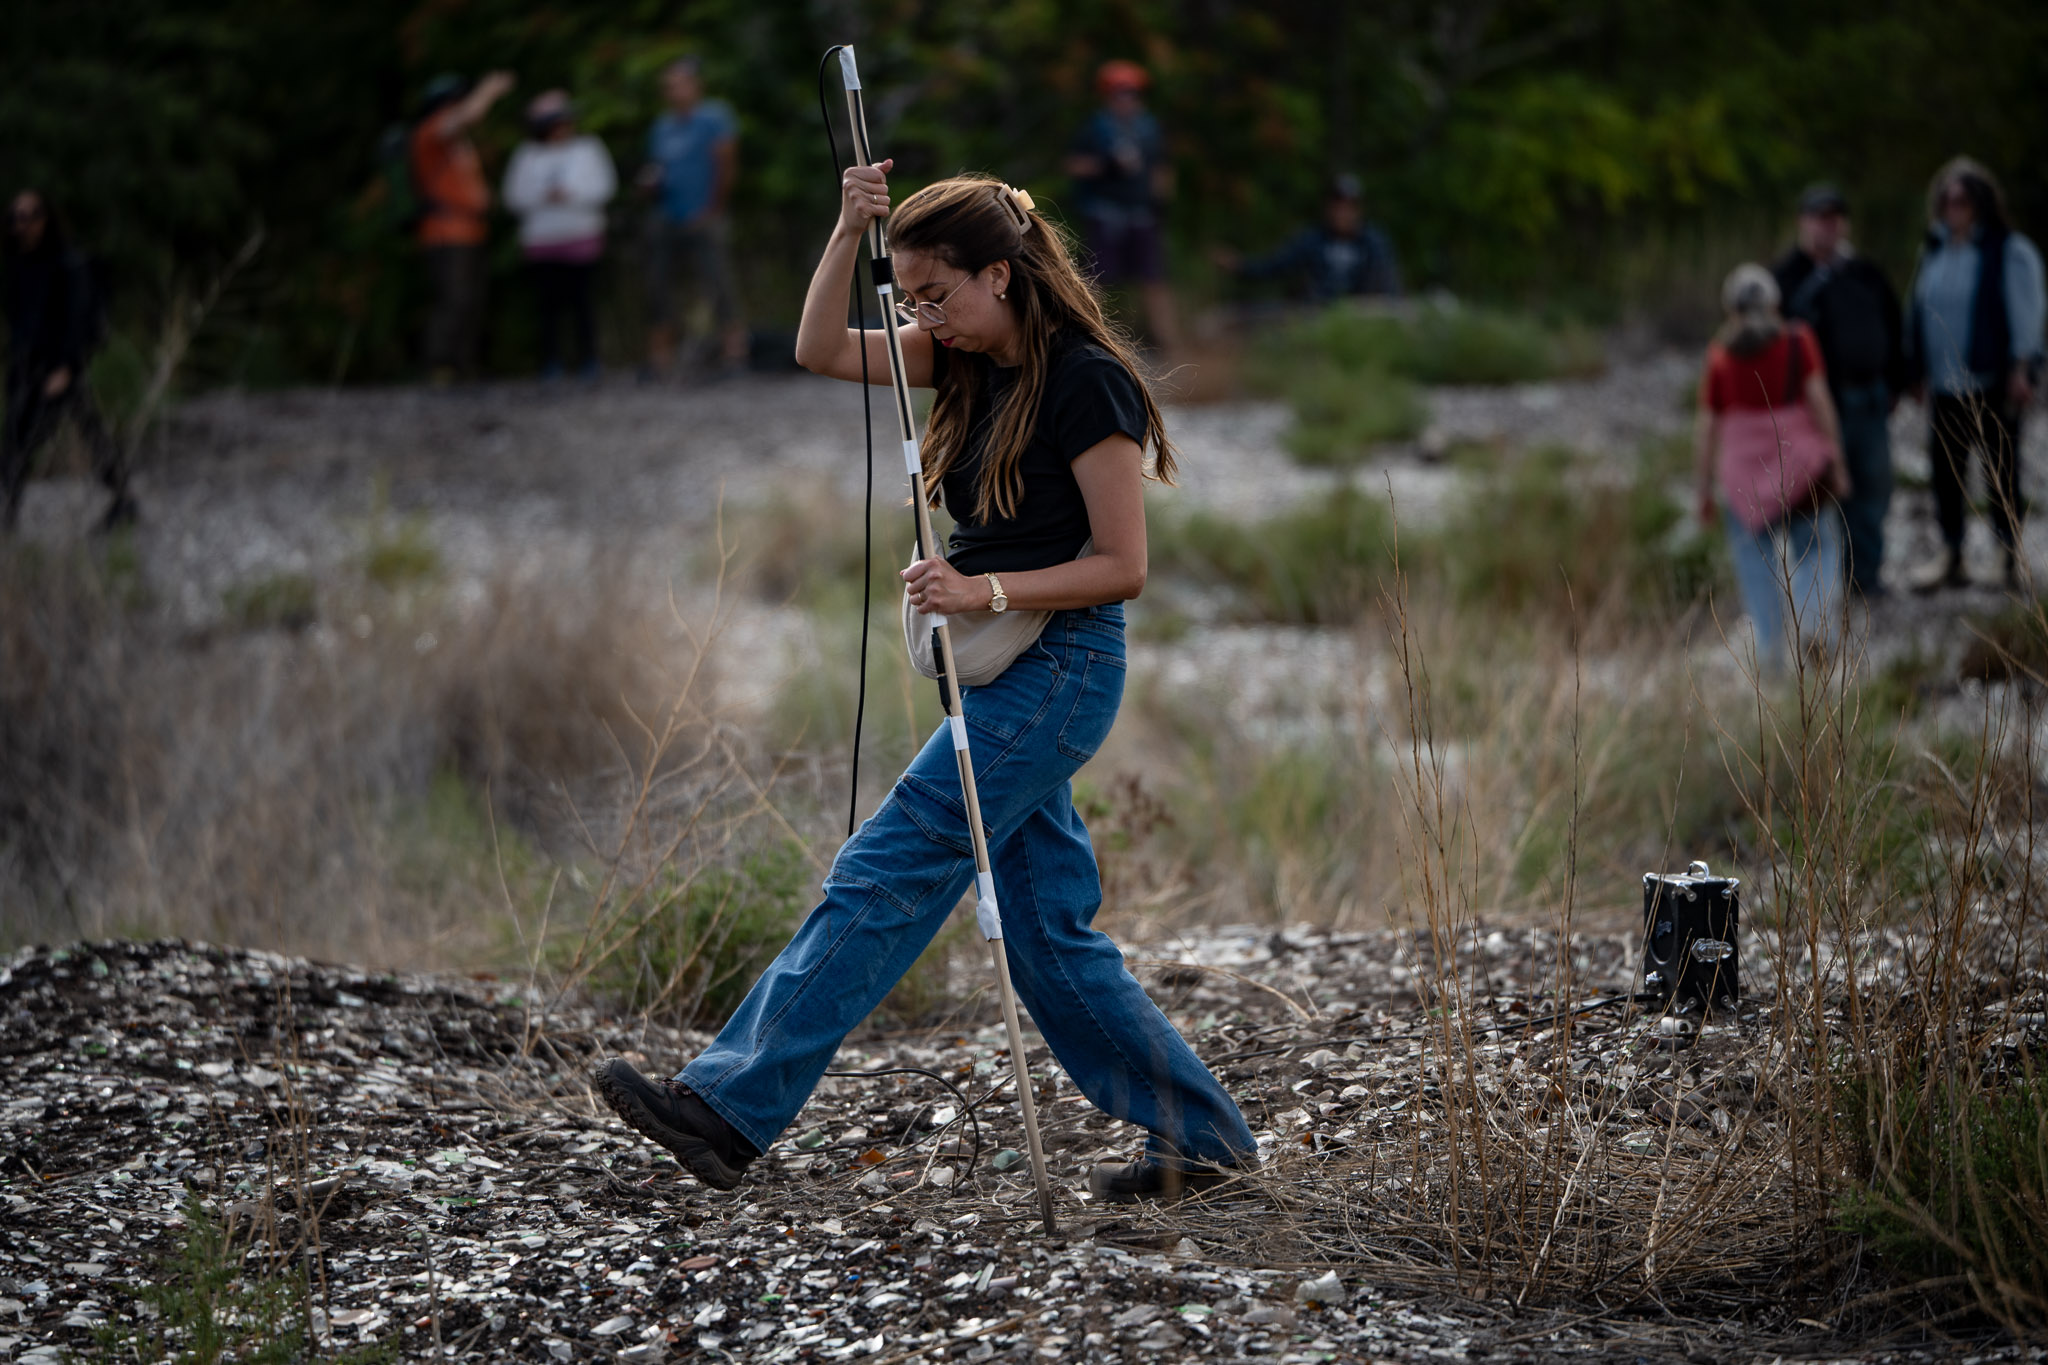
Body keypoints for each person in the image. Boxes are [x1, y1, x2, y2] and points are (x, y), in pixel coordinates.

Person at [593, 164, 1259, 1203]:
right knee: (1049, 938)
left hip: (1058, 669)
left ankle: (727, 1110)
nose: (924, 317)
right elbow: (816, 349)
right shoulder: (960, 360)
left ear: (1000, 273)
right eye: (907, 299)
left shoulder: (1088, 380)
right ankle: (1205, 1146)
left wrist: (978, 588)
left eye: (938, 293)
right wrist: (842, 229)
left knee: (885, 868)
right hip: (999, 676)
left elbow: (1122, 566)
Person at [1695, 264, 1852, 674]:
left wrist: (1703, 491)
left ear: (1731, 310)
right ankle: (1814, 624)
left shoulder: (1719, 357)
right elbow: (1819, 401)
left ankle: (1769, 652)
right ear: (1775, 303)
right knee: (1817, 547)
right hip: (1801, 470)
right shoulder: (1798, 341)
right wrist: (1836, 458)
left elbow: (1707, 427)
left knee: (1754, 562)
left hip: (1743, 479)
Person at [1904, 157, 2046, 591]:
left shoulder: (2009, 250)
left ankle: (2006, 557)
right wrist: (1913, 368)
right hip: (1943, 385)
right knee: (1945, 471)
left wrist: (2024, 367)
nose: (1954, 207)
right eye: (1947, 200)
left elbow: (2027, 313)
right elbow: (1917, 307)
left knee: (1999, 470)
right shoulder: (1934, 249)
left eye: (1962, 200)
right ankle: (1952, 553)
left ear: (1979, 203)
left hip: (1991, 381)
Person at [1770, 184, 1906, 599]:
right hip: (1817, 405)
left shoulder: (1865, 273)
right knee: (1822, 493)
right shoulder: (1785, 278)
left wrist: (1898, 382)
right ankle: (1821, 585)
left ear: (1843, 223)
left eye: (1833, 218)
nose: (1826, 226)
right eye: (1818, 217)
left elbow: (1894, 326)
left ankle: (1865, 577)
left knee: (1874, 486)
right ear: (1802, 222)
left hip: (1870, 397)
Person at [2, 189, 127, 531]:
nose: (19, 225)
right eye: (14, 218)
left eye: (27, 217)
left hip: (56, 369)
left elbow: (77, 320)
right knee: (25, 439)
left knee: (23, 442)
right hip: (26, 368)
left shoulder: (66, 264)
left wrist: (68, 368)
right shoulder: (18, 266)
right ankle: (123, 499)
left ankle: (8, 518)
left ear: (45, 219)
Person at [640, 57, 746, 378]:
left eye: (679, 83)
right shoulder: (662, 127)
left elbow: (726, 164)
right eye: (668, 86)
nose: (673, 91)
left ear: (695, 85)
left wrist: (714, 208)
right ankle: (662, 357)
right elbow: (658, 168)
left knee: (718, 282)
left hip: (706, 215)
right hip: (668, 215)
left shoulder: (714, 118)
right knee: (658, 284)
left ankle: (735, 352)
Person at [1065, 60, 1180, 354]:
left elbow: (1161, 168)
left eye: (1131, 93)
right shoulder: (1096, 128)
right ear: (1108, 95)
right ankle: (1090, 339)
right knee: (1098, 279)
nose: (1126, 99)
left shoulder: (1149, 128)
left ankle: (1169, 345)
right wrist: (1106, 167)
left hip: (1142, 214)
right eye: (1119, 93)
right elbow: (1075, 165)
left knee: (1154, 278)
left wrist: (1160, 203)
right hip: (1106, 213)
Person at [502, 90, 617, 382]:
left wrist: (571, 194)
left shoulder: (588, 149)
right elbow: (512, 197)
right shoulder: (527, 154)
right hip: (542, 241)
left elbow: (605, 187)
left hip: (581, 236)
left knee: (583, 303)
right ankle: (550, 362)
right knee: (547, 307)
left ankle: (589, 360)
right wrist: (544, 196)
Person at [410, 71, 514, 384]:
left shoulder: (459, 145)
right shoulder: (431, 131)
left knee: (472, 300)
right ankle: (441, 367)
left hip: (470, 230)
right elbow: (468, 116)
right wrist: (488, 90)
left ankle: (464, 367)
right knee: (453, 299)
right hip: (446, 231)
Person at [1215, 173, 1402, 303]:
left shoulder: (1373, 242)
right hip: (1313, 316)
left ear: (1358, 210)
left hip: (1360, 319)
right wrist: (1241, 266)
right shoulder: (1313, 240)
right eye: (1337, 206)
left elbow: (1387, 286)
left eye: (1348, 207)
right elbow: (1276, 265)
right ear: (1328, 208)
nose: (1342, 213)